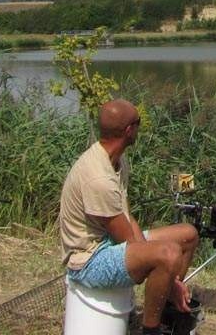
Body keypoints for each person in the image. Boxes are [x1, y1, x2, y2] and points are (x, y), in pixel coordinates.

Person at [60, 99, 199, 335]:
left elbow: (126, 216)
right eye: (138, 123)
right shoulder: (98, 178)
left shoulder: (116, 160)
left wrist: (166, 276)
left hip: (110, 241)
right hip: (88, 259)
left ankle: (165, 309)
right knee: (168, 254)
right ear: (128, 131)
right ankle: (150, 329)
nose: (140, 128)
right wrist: (171, 278)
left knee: (188, 235)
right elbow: (125, 239)